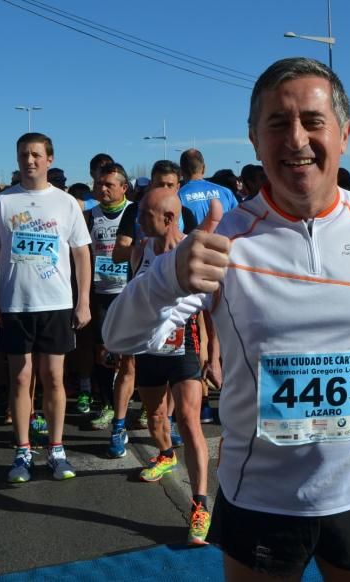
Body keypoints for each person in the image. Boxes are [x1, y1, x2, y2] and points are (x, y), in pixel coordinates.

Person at [103, 57, 350, 580]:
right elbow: (118, 335)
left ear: (344, 133)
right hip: (262, 496)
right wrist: (168, 275)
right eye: (277, 124)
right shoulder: (224, 241)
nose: (297, 139)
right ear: (254, 138)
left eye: (313, 121)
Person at [0, 132, 92, 483]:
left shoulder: (66, 203)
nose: (29, 161)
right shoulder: (2, 202)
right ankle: (23, 451)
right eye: (23, 155)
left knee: (55, 379)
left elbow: (81, 254)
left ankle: (57, 449)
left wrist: (83, 299)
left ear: (50, 159)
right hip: (15, 303)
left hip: (56, 303)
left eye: (36, 155)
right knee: (20, 379)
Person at [127, 186, 214, 546]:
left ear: (168, 217)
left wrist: (211, 347)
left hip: (186, 348)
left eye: (145, 215)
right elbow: (133, 298)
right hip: (149, 349)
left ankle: (200, 504)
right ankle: (164, 454)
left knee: (189, 422)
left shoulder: (192, 251)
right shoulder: (140, 250)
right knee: (156, 417)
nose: (139, 221)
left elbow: (209, 304)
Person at [85, 163, 137, 451]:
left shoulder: (136, 212)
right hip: (102, 292)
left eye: (108, 185)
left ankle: (137, 403)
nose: (102, 189)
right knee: (103, 353)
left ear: (123, 188)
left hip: (131, 292)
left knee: (134, 355)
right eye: (99, 184)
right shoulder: (89, 216)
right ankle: (106, 403)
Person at [178, 149, 239, 226]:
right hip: (225, 237)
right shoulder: (226, 192)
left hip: (195, 238)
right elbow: (239, 222)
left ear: (181, 171)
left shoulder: (179, 196)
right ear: (204, 168)